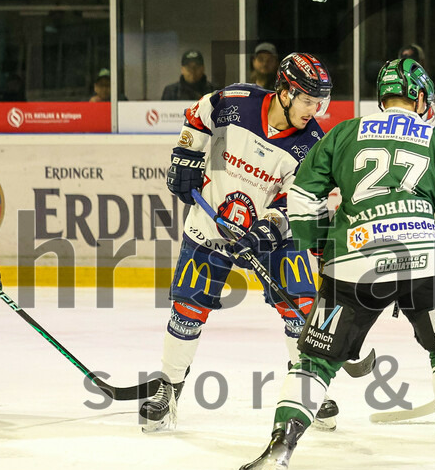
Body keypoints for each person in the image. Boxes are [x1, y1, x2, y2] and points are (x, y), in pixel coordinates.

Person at [235, 58, 435, 470]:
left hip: (352, 260)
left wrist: (318, 246)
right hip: (422, 261)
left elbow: (303, 195)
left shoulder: (346, 132)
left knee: (317, 360)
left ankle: (277, 449)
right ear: (421, 98)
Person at [141, 53, 337, 432]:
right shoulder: (237, 102)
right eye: (308, 100)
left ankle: (308, 382)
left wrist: (268, 229)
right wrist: (185, 154)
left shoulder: (312, 143)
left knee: (300, 302)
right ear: (285, 91)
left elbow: (297, 200)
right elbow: (200, 112)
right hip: (211, 222)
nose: (315, 111)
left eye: (320, 103)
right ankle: (168, 386)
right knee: (188, 308)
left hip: (272, 234)